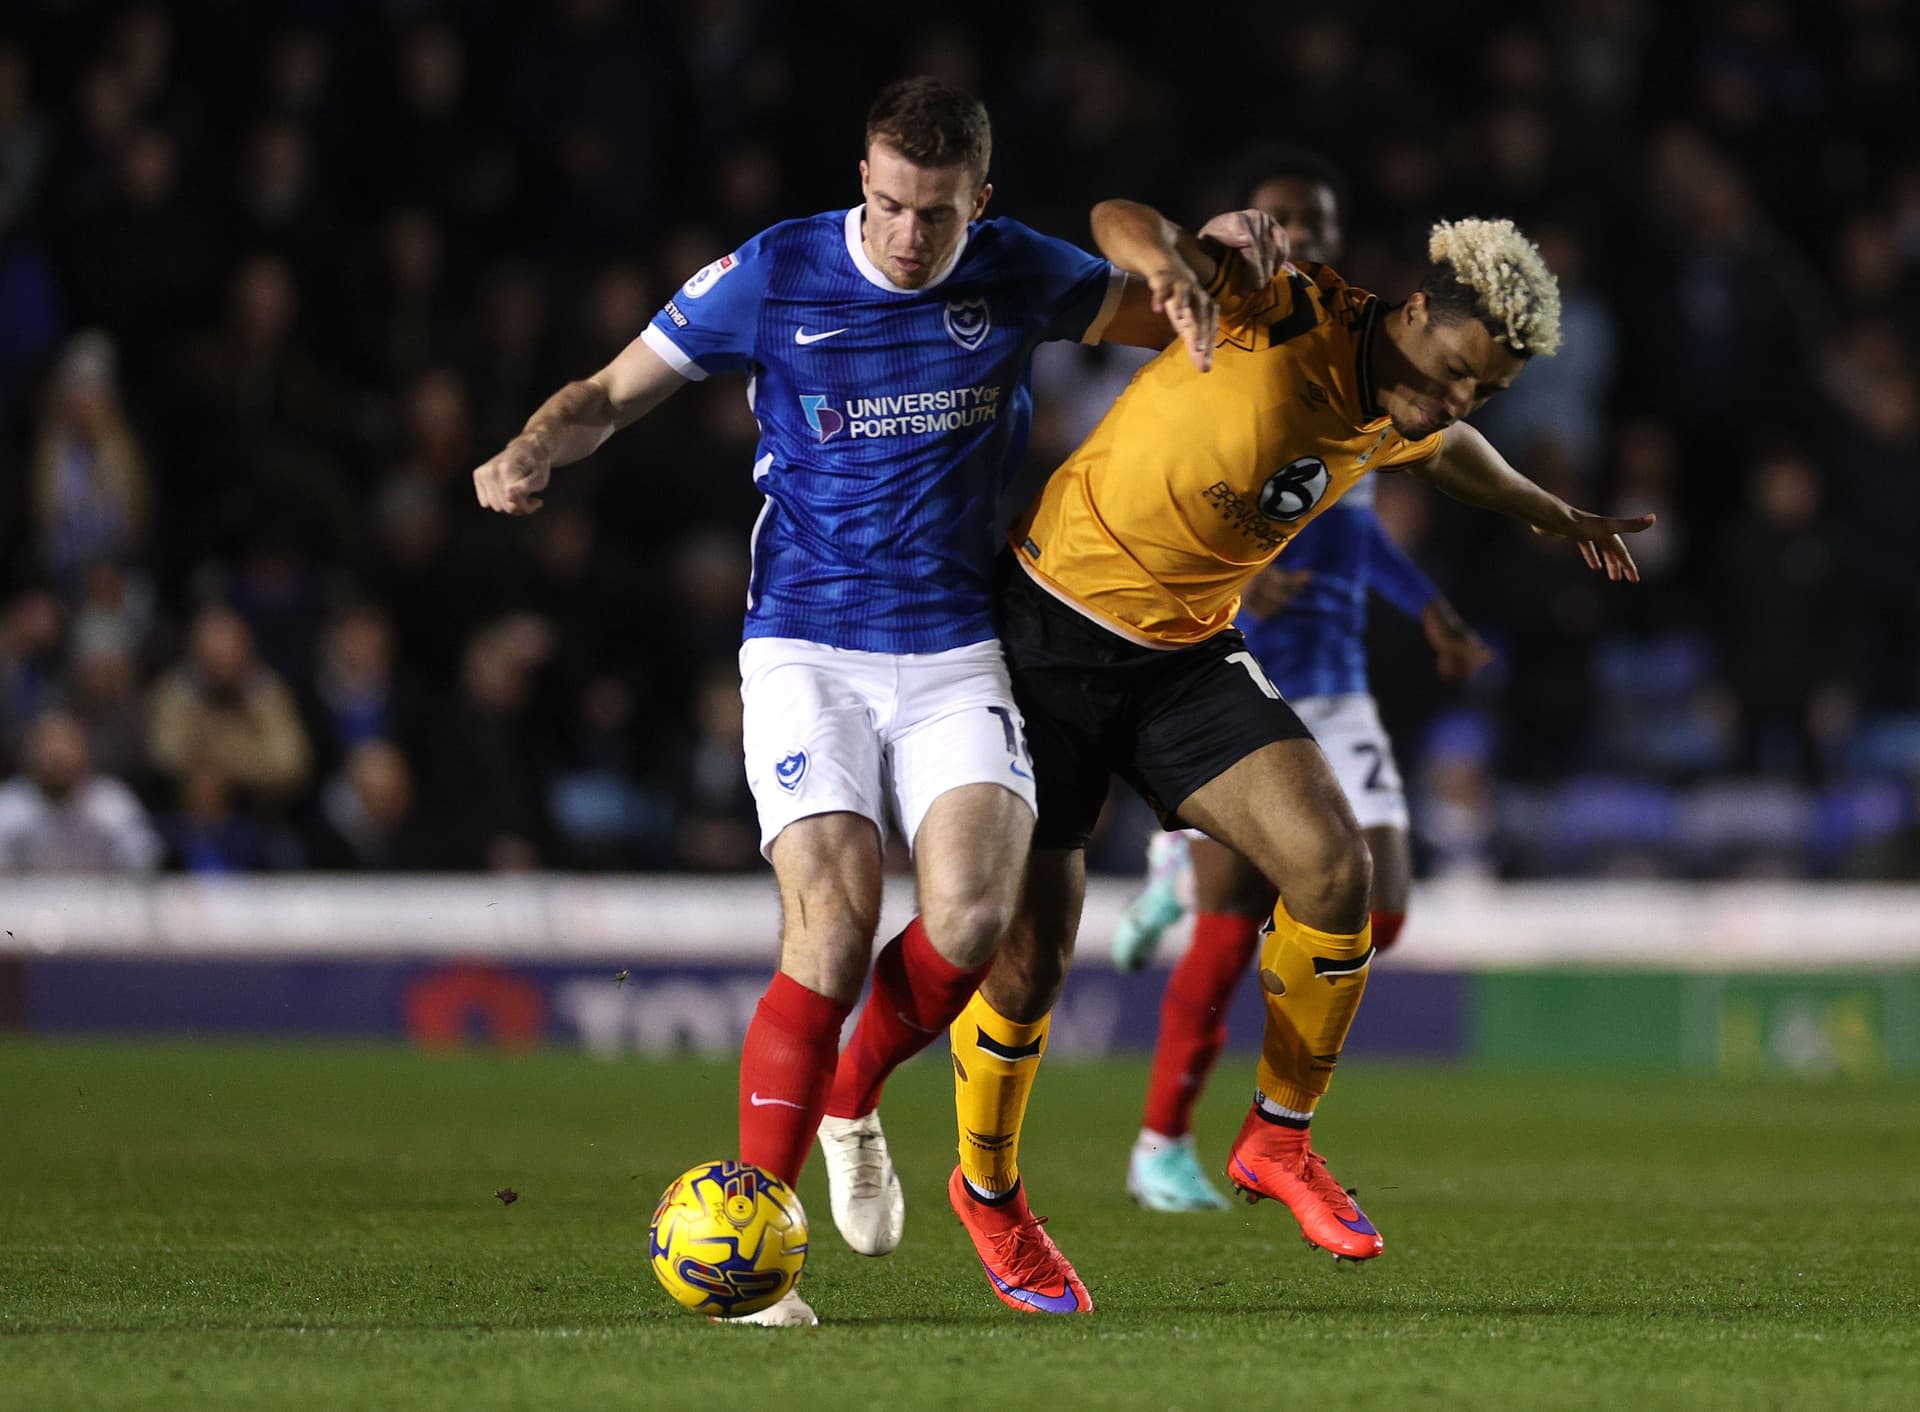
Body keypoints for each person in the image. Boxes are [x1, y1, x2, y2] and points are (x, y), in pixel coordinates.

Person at [472, 76, 1263, 1326]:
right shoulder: (776, 271)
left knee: (975, 918)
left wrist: (1202, 263)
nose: (907, 233)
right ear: (863, 180)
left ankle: (851, 1094)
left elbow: (1166, 312)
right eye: (889, 203)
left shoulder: (1016, 268)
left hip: (956, 644)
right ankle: (757, 1264)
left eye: (935, 213)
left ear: (979, 201)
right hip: (806, 644)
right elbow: (611, 393)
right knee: (832, 929)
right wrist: (531, 445)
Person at [833, 206, 1652, 1314]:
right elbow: (1117, 219)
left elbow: (1445, 449)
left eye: (1488, 389)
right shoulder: (1284, 306)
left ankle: (1277, 1137)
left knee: (1334, 868)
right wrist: (1169, 269)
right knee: (1026, 965)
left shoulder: (1405, 401)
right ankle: (987, 1191)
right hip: (1051, 630)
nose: (1463, 397)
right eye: (1461, 370)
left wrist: (1544, 508)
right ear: (1417, 310)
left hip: (1186, 658)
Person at [1106, 150, 1493, 1213]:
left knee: (1382, 907)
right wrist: (1241, 570)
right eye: (1283, 218)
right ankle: (1162, 1142)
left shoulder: (1372, 365)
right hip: (1236, 674)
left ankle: (1207, 884)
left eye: (1318, 221)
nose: (1303, 236)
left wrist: (1425, 603)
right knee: (1234, 929)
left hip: (1339, 679)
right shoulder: (1225, 338)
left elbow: (1356, 525)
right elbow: (1176, 485)